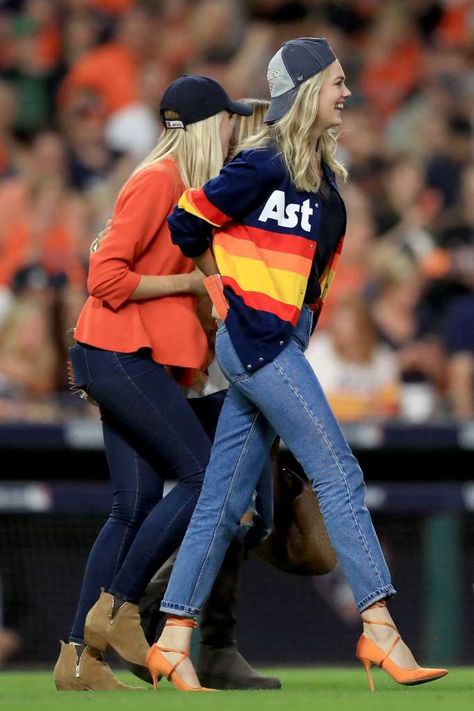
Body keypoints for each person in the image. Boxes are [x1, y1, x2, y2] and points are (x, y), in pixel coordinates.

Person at [146, 38, 449, 692]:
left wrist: (289, 324)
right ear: (310, 88)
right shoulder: (262, 162)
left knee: (223, 502)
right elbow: (187, 220)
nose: (347, 92)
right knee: (339, 468)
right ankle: (380, 626)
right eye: (338, 82)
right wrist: (220, 290)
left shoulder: (327, 182)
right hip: (258, 343)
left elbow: (315, 285)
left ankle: (172, 636)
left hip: (276, 346)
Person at [53, 74, 281, 692]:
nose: (234, 126)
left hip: (119, 354)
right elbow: (105, 278)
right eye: (227, 119)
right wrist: (190, 284)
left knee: (132, 506)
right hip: (118, 351)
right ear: (208, 125)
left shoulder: (185, 189)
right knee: (206, 477)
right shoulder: (159, 181)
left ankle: (79, 660)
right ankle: (122, 608)